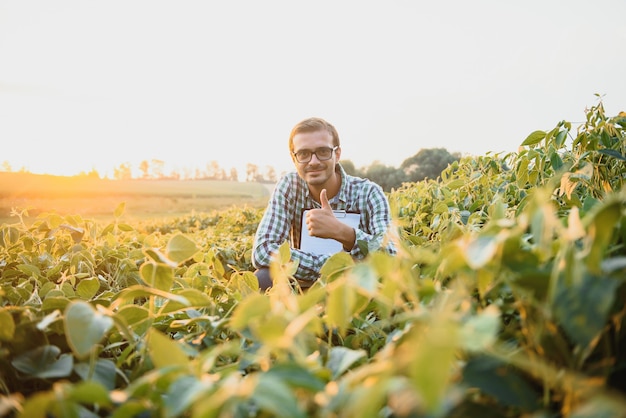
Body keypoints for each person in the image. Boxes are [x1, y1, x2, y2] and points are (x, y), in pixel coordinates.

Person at [252, 117, 395, 291]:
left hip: (357, 287)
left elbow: (391, 256)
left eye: (323, 151)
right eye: (303, 154)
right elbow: (263, 250)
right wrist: (336, 266)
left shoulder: (369, 193)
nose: (313, 161)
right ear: (293, 158)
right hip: (304, 286)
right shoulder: (289, 186)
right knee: (264, 278)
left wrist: (345, 233)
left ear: (337, 154)